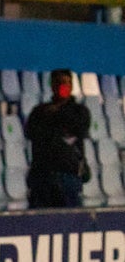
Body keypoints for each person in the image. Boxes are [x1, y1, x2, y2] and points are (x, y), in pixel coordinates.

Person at [25, 68, 91, 209]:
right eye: (60, 82)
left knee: (72, 223)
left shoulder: (80, 111)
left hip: (69, 176)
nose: (64, 86)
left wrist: (57, 115)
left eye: (67, 83)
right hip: (43, 178)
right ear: (52, 85)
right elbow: (31, 132)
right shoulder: (39, 111)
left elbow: (80, 128)